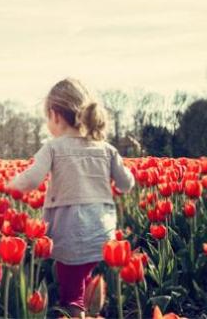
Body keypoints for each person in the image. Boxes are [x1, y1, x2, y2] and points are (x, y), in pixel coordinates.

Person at [8, 78, 134, 318]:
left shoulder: (54, 147)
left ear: (55, 116)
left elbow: (32, 180)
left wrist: (9, 184)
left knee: (71, 294)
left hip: (69, 233)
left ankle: (76, 313)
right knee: (85, 280)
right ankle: (90, 310)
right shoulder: (106, 149)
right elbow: (127, 183)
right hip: (101, 234)